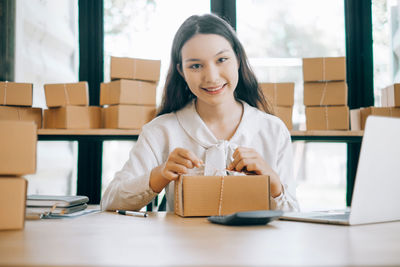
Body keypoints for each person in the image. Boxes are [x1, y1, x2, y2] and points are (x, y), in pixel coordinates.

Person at [101, 13, 299, 212]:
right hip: (182, 243)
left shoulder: (273, 130)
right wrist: (159, 175)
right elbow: (110, 201)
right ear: (181, 71)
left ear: (238, 59)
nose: (211, 77)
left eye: (221, 59)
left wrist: (272, 182)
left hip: (253, 244)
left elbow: (293, 216)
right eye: (196, 66)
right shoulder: (160, 131)